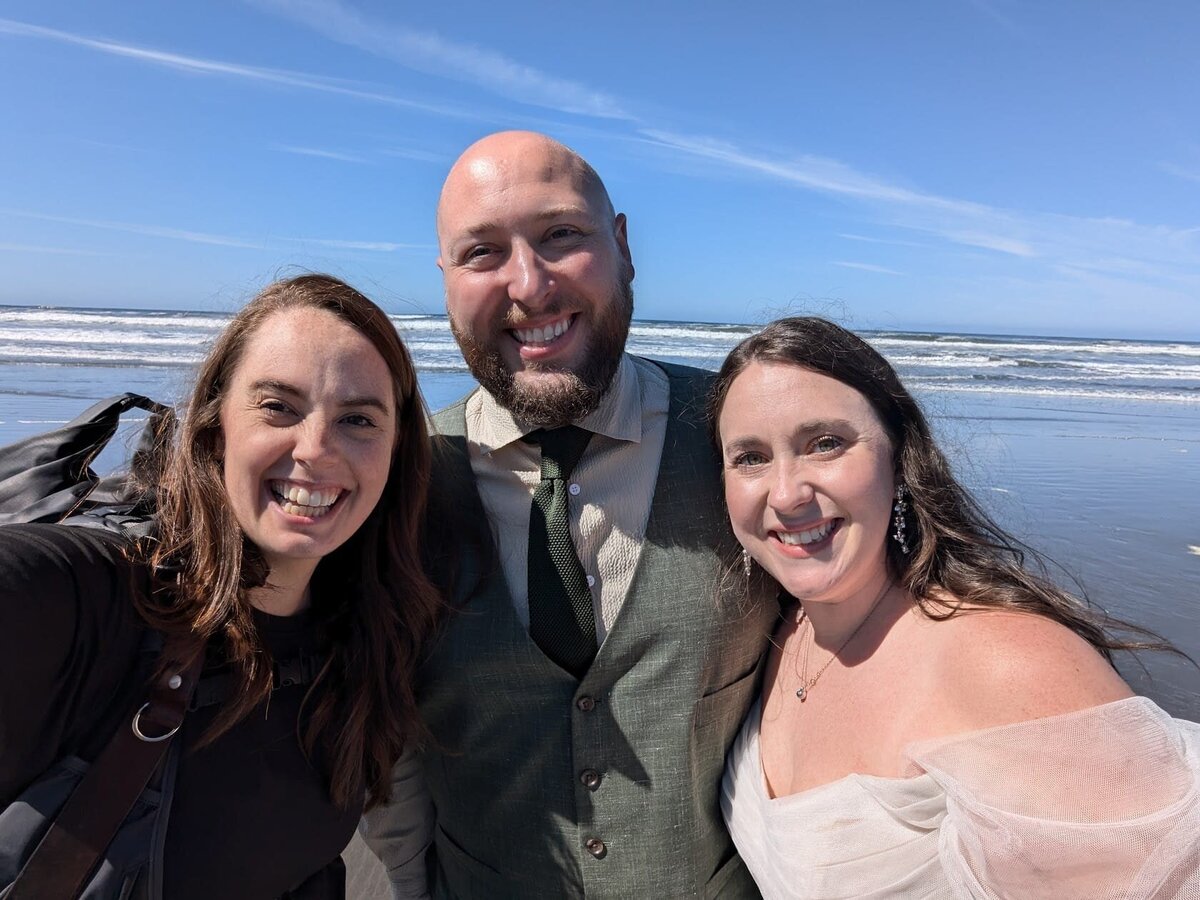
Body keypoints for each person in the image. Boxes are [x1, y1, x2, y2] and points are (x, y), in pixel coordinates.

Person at [360, 131, 776, 898]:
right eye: (482, 253)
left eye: (561, 236)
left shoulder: (744, 439)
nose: (529, 285)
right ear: (446, 277)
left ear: (622, 247)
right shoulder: (394, 481)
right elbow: (386, 742)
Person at [712, 317, 1200, 898]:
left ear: (898, 460)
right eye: (750, 458)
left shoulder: (1006, 662)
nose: (787, 493)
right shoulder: (776, 631)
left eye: (826, 444)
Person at [0, 274, 443, 898]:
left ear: (396, 452)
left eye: (358, 419)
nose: (314, 449)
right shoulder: (93, 596)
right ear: (214, 432)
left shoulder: (364, 642)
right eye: (278, 407)